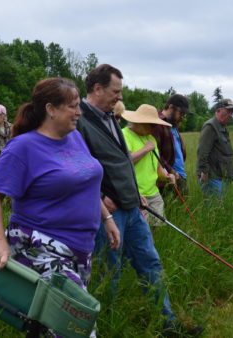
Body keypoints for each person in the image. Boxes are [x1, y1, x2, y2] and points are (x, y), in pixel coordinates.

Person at [76, 64, 203, 336]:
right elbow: (77, 168)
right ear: (97, 89)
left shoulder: (110, 118)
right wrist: (100, 198)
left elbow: (122, 164)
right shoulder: (80, 121)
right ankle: (104, 327)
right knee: (107, 273)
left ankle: (167, 322)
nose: (119, 98)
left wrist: (136, 196)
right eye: (116, 92)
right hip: (106, 214)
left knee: (150, 262)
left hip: (133, 209)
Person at [0, 78, 120, 322]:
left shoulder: (74, 137)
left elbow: (84, 182)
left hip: (80, 247)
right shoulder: (23, 147)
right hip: (41, 244)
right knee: (75, 324)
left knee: (48, 323)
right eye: (73, 106)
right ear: (51, 109)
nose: (79, 112)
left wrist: (106, 218)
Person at [122, 104, 176, 227]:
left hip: (154, 193)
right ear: (140, 122)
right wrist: (145, 149)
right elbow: (125, 161)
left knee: (158, 228)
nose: (154, 128)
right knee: (142, 233)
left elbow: (156, 166)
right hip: (137, 194)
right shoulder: (124, 135)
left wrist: (166, 176)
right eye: (152, 125)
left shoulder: (151, 138)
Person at [196, 98, 233, 197]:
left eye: (232, 112)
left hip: (222, 176)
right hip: (212, 177)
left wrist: (231, 172)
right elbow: (202, 152)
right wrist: (204, 172)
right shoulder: (210, 127)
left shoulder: (222, 127)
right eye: (228, 111)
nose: (231, 115)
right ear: (218, 111)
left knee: (222, 207)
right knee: (214, 209)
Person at [151, 94, 192, 196]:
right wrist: (171, 171)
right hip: (167, 179)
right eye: (181, 113)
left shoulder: (173, 124)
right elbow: (155, 153)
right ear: (170, 107)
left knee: (182, 210)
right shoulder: (157, 123)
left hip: (180, 176)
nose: (183, 117)